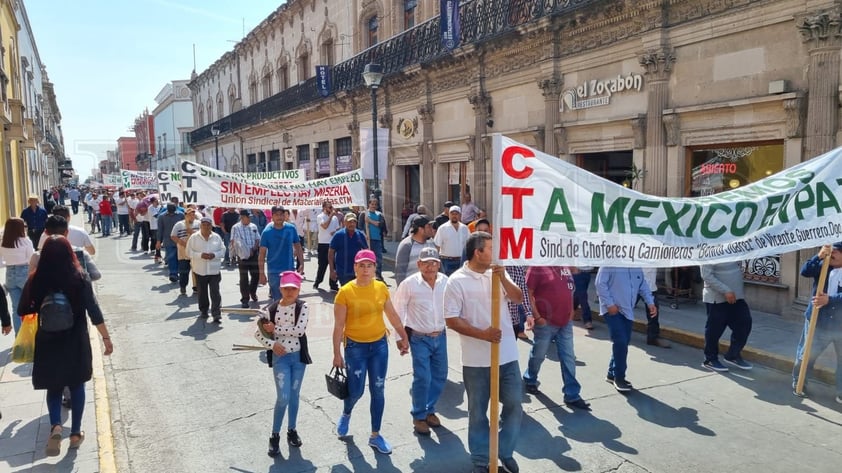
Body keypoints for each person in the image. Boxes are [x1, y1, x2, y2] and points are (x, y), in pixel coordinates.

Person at [18, 235, 113, 457]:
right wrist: (106, 338)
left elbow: (23, 309)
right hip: (75, 338)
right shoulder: (79, 277)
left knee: (54, 386)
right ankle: (76, 433)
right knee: (77, 384)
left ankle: (56, 426)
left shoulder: (36, 279)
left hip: (48, 339)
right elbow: (94, 311)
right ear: (70, 252)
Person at [443, 232, 524, 473]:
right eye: (490, 248)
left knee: (514, 405)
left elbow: (519, 298)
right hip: (476, 361)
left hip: (507, 356)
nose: (495, 252)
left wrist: (503, 279)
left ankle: (504, 452)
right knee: (478, 412)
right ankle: (481, 460)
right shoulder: (456, 281)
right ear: (477, 252)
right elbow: (451, 320)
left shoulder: (498, 272)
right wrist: (483, 334)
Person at [332, 249, 409, 454]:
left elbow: (391, 314)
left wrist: (402, 334)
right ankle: (347, 413)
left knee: (378, 389)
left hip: (379, 346)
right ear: (355, 267)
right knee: (356, 390)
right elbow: (339, 326)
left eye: (370, 265)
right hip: (355, 348)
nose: (366, 270)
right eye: (362, 265)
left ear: (375, 268)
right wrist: (337, 354)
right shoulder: (345, 292)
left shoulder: (381, 287)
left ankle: (375, 435)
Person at [393, 247, 448, 435]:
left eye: (434, 263)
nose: (430, 267)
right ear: (419, 264)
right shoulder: (409, 284)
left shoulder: (445, 282)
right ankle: (418, 415)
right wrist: (400, 337)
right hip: (418, 338)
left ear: (439, 264)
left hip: (440, 336)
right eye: (426, 263)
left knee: (440, 376)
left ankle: (430, 409)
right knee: (423, 377)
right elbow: (398, 311)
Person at [254, 271, 310, 456]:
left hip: (298, 359)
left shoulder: (303, 307)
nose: (289, 292)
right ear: (280, 288)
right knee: (283, 397)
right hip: (281, 359)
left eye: (293, 288)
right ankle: (274, 435)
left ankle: (292, 430)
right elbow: (258, 334)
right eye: (286, 288)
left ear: (299, 289)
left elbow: (299, 331)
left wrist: (276, 329)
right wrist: (272, 344)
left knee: (294, 395)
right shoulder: (270, 310)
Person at [523, 266, 590, 410]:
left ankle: (572, 395)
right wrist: (537, 317)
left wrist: (571, 311)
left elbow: (570, 291)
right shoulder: (537, 267)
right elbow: (527, 292)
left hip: (565, 322)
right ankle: (530, 379)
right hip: (545, 321)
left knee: (568, 357)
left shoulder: (566, 267)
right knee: (539, 354)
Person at [792, 242, 842, 401]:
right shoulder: (823, 265)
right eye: (830, 250)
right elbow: (805, 271)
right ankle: (799, 382)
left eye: (835, 251)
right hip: (817, 320)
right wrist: (818, 256)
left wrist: (830, 300)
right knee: (807, 354)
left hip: (839, 324)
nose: (831, 254)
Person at [595, 266, 657, 393]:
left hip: (627, 311)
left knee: (623, 342)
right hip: (612, 310)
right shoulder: (610, 262)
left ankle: (611, 374)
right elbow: (600, 284)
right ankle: (620, 378)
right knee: (621, 341)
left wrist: (650, 302)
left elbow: (642, 285)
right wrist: (609, 304)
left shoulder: (636, 267)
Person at [700, 261, 753, 372]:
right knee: (714, 330)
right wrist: (726, 290)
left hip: (736, 297)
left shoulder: (732, 246)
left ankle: (733, 355)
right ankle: (710, 359)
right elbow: (706, 275)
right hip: (716, 298)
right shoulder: (709, 250)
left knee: (744, 323)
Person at [259, 206, 304, 301]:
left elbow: (298, 247)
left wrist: (302, 263)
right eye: (276, 215)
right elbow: (262, 254)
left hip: (289, 271)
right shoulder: (267, 232)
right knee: (278, 301)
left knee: (291, 299)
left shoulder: (291, 229)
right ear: (272, 216)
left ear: (285, 216)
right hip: (274, 273)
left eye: (281, 214)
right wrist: (261, 273)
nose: (279, 217)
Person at [187, 217, 225, 322]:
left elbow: (223, 251)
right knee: (202, 292)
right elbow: (188, 252)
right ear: (200, 226)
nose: (206, 227)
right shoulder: (194, 238)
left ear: (211, 226)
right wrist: (200, 255)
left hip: (214, 270)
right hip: (200, 270)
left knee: (215, 292)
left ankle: (216, 313)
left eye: (208, 225)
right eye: (204, 225)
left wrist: (214, 255)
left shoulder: (216, 237)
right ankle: (204, 311)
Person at [1, 218, 35, 334]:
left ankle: (19, 338)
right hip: (24, 272)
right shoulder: (26, 241)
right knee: (30, 306)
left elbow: (1, 262)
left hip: (10, 274)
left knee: (16, 309)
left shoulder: (4, 242)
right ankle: (30, 335)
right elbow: (31, 259)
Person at [394, 216, 437, 286]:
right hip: (412, 289)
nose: (431, 229)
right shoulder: (406, 245)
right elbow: (400, 271)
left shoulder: (431, 243)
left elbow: (439, 265)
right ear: (420, 229)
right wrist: (402, 290)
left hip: (430, 288)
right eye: (428, 226)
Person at [231, 209, 261, 307]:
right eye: (248, 217)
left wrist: (254, 248)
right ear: (242, 217)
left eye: (250, 217)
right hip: (242, 256)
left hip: (253, 254)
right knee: (243, 278)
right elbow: (233, 241)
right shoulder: (236, 227)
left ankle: (252, 291)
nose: (250, 218)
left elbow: (257, 239)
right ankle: (245, 298)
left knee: (256, 275)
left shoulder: (253, 226)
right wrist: (240, 252)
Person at [329, 213, 368, 287]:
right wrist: (332, 270)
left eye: (354, 222)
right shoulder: (338, 235)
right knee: (347, 293)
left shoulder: (360, 235)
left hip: (357, 271)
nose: (352, 224)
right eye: (349, 222)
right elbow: (331, 253)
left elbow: (366, 252)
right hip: (343, 272)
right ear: (345, 223)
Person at [433, 205, 470, 276]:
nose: (454, 216)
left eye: (456, 214)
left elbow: (468, 245)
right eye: (452, 214)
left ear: (460, 215)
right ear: (449, 215)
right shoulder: (442, 228)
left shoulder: (465, 228)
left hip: (462, 261)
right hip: (447, 261)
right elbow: (437, 246)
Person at [171, 208, 201, 296]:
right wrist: (182, 243)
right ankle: (183, 286)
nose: (192, 216)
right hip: (183, 252)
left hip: (195, 251)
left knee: (196, 270)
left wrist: (192, 232)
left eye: (193, 214)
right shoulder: (179, 225)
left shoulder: (198, 224)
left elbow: (202, 234)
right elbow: (173, 236)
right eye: (190, 214)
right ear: (186, 215)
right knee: (184, 270)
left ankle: (196, 287)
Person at [314, 201, 341, 291]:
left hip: (333, 244)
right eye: (329, 207)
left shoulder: (335, 218)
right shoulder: (320, 216)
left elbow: (337, 228)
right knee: (322, 265)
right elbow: (325, 226)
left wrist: (336, 231)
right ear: (324, 208)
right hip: (323, 244)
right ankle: (318, 281)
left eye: (331, 207)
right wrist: (330, 216)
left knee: (334, 264)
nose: (331, 209)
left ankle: (333, 283)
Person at [642, 268, 671, 348]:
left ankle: (653, 337)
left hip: (650, 287)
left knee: (653, 312)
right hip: (634, 284)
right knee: (624, 309)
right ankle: (618, 331)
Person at [361, 198, 387, 281]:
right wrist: (364, 235)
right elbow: (360, 227)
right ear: (369, 204)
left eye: (375, 204)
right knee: (367, 259)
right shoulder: (363, 214)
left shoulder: (379, 215)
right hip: (367, 240)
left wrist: (370, 221)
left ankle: (378, 275)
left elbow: (380, 225)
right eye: (372, 204)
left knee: (378, 258)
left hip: (377, 240)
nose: (374, 206)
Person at [158, 203, 185, 282]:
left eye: (173, 212)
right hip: (168, 241)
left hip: (180, 240)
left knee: (180, 258)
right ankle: (173, 274)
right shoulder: (161, 217)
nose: (171, 213)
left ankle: (180, 273)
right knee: (171, 258)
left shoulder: (181, 215)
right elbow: (160, 230)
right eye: (170, 212)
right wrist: (158, 241)